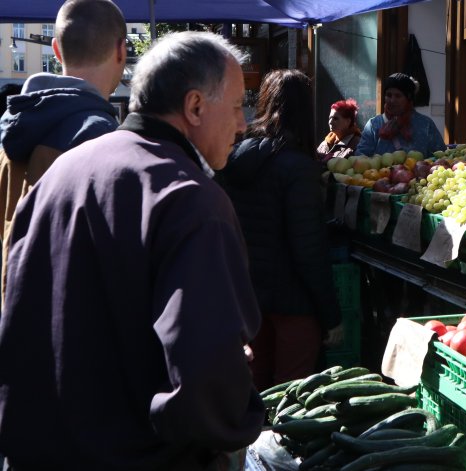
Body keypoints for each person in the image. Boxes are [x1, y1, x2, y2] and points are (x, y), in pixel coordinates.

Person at [0, 31, 264, 469]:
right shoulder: (190, 197)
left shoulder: (66, 168)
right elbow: (205, 379)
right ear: (195, 106)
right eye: (237, 106)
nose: (243, 124)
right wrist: (237, 414)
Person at [216, 70, 343, 391]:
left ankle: (253, 442)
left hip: (249, 297)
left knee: (255, 388)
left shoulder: (234, 159)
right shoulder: (298, 167)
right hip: (293, 302)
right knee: (290, 395)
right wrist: (331, 315)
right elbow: (309, 249)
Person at [0, 0, 127, 303]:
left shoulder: (7, 131)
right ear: (122, 50)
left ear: (56, 50)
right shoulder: (102, 139)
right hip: (67, 325)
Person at [355, 72, 446, 157]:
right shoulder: (374, 125)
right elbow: (360, 156)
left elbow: (440, 155)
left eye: (398, 96)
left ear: (408, 98)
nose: (392, 100)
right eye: (389, 95)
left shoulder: (425, 125)